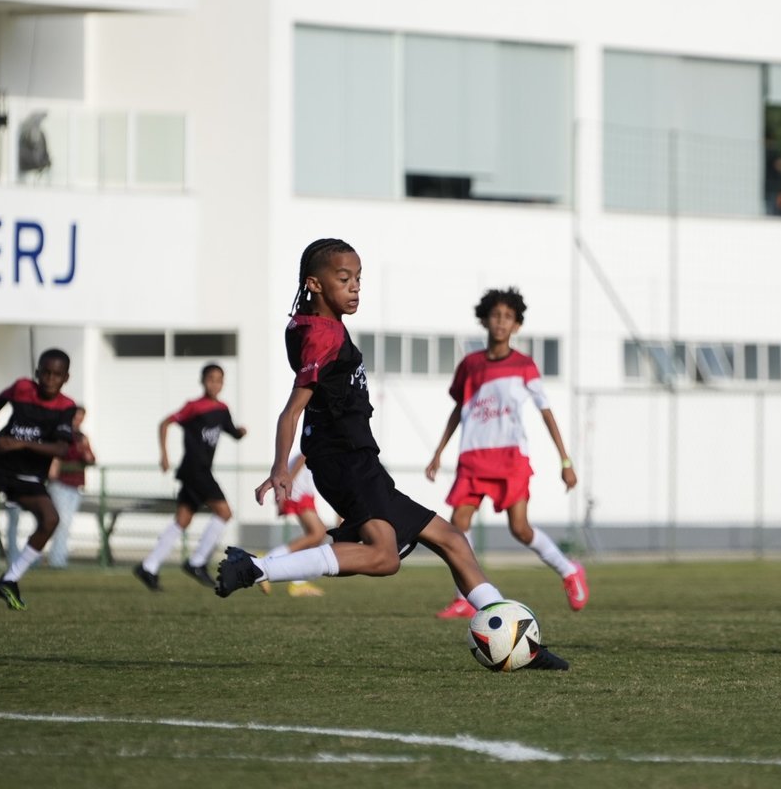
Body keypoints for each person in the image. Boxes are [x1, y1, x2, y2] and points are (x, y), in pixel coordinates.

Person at [224, 238, 568, 669]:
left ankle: (520, 643)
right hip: (344, 459)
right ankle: (259, 569)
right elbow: (292, 408)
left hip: (358, 459)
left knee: (451, 540)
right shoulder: (322, 335)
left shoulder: (311, 325)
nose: (354, 287)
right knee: (384, 556)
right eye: (343, 279)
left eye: (358, 279)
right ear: (314, 284)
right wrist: (280, 467)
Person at [424, 287, 588, 619]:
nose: (501, 322)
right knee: (458, 525)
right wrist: (439, 451)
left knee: (520, 529)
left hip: (510, 458)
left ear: (517, 326)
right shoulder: (469, 365)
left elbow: (546, 412)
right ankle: (465, 597)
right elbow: (459, 409)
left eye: (508, 317)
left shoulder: (525, 366)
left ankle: (568, 569)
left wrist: (565, 461)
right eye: (496, 316)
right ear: (484, 319)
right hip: (473, 457)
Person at [133, 363, 246, 591]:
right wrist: (164, 455)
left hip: (200, 471)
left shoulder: (223, 409)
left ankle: (149, 566)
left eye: (219, 379)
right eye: (210, 379)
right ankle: (197, 561)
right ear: (202, 381)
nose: (214, 383)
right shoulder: (194, 407)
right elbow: (165, 423)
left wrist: (240, 432)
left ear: (223, 383)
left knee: (182, 520)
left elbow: (231, 431)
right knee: (225, 513)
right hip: (195, 469)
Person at [0, 349, 77, 610]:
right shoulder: (22, 388)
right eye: (46, 373)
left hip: (28, 476)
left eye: (57, 375)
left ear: (66, 378)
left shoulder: (66, 407)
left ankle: (10, 579)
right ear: (37, 372)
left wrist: (19, 443)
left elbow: (61, 449)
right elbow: (2, 398)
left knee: (51, 520)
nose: (50, 379)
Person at [264, 449, 328, 597]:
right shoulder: (322, 440)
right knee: (317, 533)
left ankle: (298, 582)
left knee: (317, 535)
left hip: (303, 491)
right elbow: (303, 456)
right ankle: (266, 562)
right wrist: (287, 483)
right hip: (298, 492)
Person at [47, 406, 96, 568]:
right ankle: (55, 559)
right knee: (60, 521)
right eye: (76, 417)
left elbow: (91, 459)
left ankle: (59, 558)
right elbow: (59, 455)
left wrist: (85, 451)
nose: (78, 420)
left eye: (81, 417)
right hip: (61, 483)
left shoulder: (82, 437)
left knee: (66, 523)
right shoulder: (62, 435)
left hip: (75, 485)